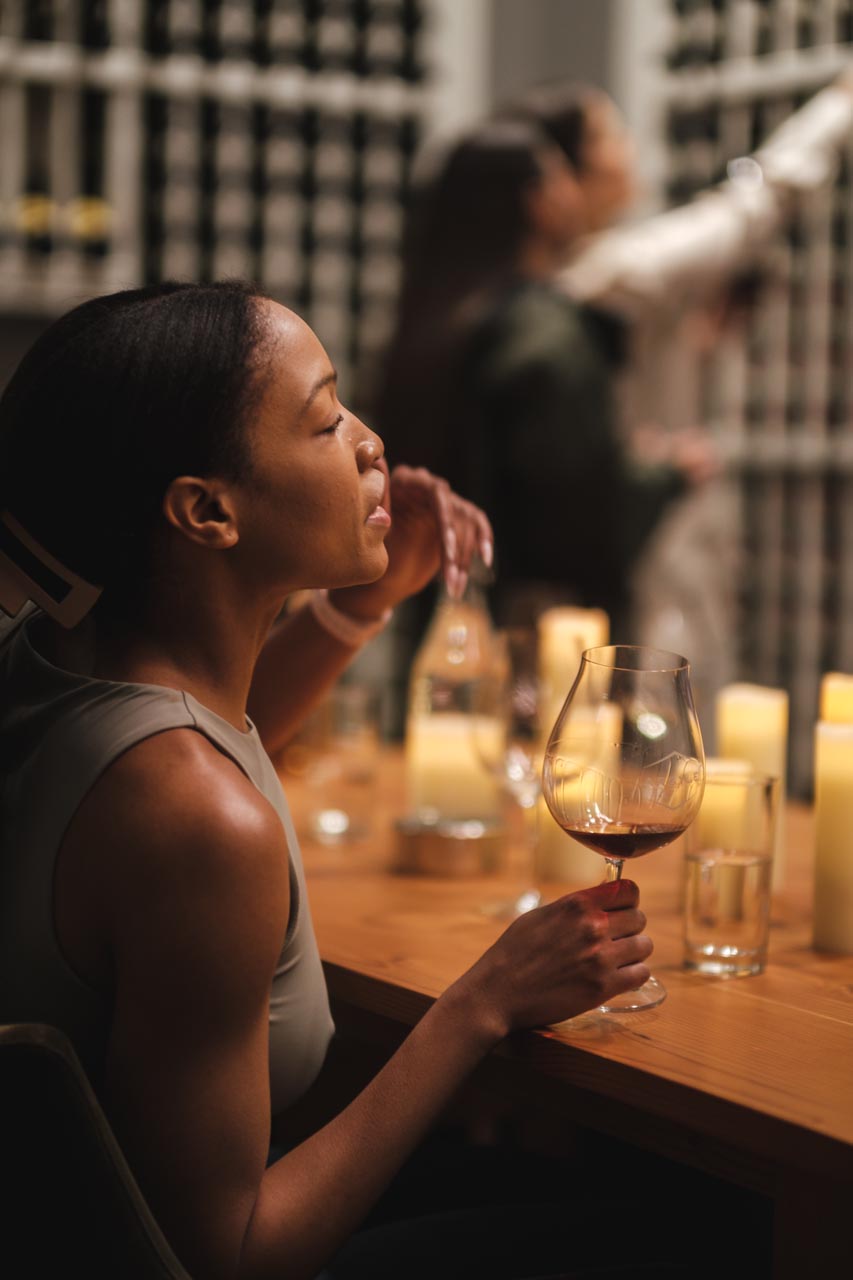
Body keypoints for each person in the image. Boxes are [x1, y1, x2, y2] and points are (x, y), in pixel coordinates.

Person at [0, 282, 661, 1279]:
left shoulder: (51, 661)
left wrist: (359, 606)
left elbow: (209, 729)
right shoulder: (199, 825)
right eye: (324, 420)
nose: (371, 444)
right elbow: (227, 1254)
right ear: (207, 510)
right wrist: (480, 1000)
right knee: (686, 1227)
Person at [373, 118, 705, 639]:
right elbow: (585, 520)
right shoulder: (546, 332)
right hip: (536, 632)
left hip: (434, 613)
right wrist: (666, 473)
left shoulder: (428, 325)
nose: (573, 190)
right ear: (536, 202)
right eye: (558, 176)